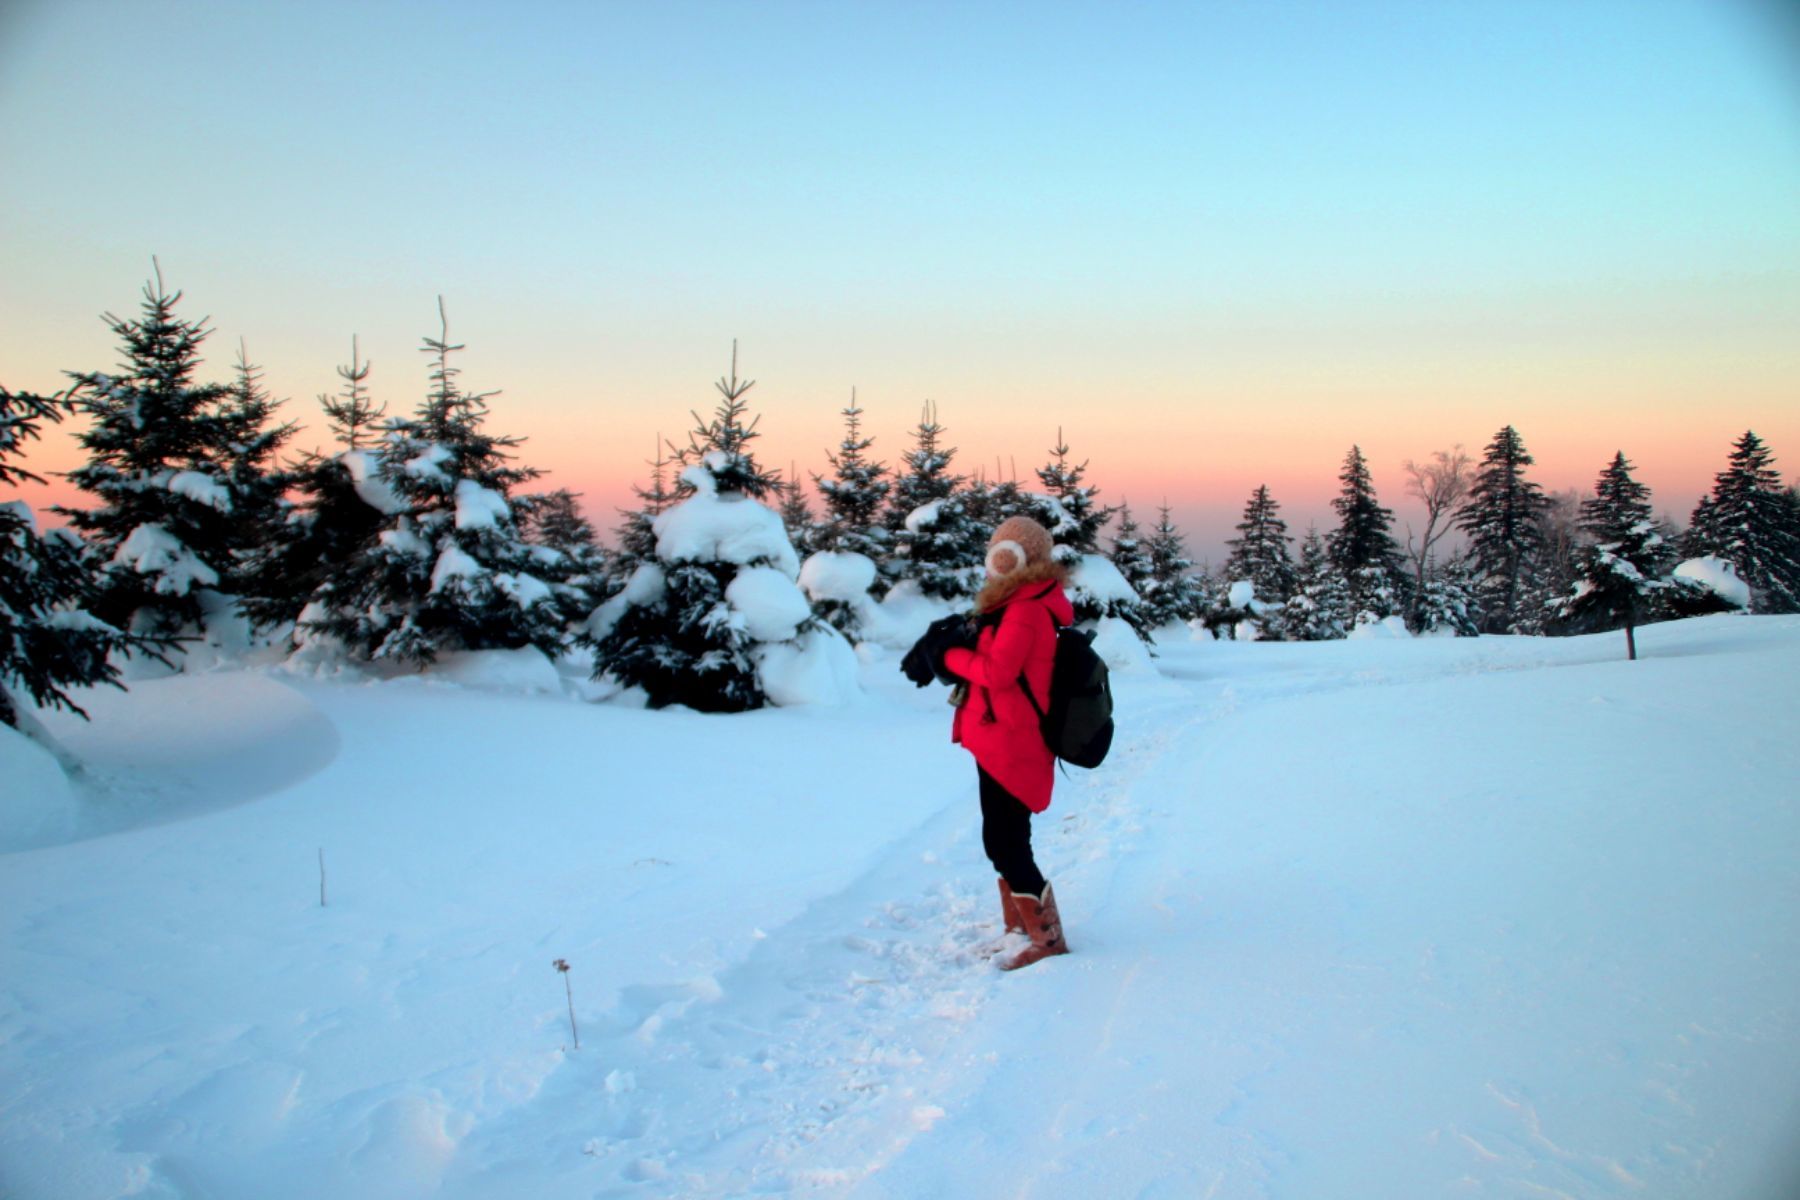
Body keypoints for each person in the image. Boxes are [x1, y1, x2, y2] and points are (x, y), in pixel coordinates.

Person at [927, 515, 1074, 970]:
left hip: (1014, 741)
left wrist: (948, 656)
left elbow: (998, 673)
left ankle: (1046, 939)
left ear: (1015, 558)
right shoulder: (1012, 604)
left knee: (1007, 842)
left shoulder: (1026, 609)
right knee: (1002, 838)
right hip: (999, 736)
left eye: (1001, 552)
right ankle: (1021, 929)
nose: (993, 562)